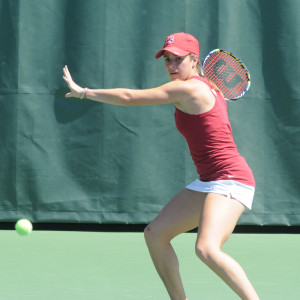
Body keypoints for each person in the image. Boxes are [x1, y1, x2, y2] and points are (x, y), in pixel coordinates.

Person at [63, 32, 260, 300]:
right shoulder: (205, 84)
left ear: (194, 60)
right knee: (155, 234)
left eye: (178, 59)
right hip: (210, 179)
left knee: (207, 249)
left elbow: (129, 97)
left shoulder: (189, 88)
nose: (171, 66)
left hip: (231, 178)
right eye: (167, 59)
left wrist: (84, 92)